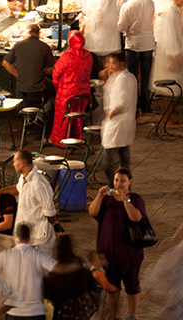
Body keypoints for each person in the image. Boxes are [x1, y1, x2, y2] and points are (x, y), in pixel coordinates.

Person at [88, 168, 146, 320]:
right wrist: (99, 195)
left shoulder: (135, 199)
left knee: (131, 285)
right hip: (109, 255)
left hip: (129, 254)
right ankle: (115, 317)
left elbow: (136, 218)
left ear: (130, 182)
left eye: (122, 180)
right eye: (116, 180)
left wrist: (125, 200)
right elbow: (93, 212)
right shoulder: (107, 199)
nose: (118, 184)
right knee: (112, 287)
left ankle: (133, 317)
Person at [0, 150, 58, 255]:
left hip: (38, 239)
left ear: (22, 163)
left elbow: (49, 212)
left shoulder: (38, 184)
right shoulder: (23, 177)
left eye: (14, 162)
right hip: (25, 237)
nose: (13, 165)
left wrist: (53, 223)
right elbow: (17, 189)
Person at [100, 52, 137, 185]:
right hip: (124, 124)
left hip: (118, 124)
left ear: (122, 64)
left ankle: (114, 186)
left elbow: (122, 102)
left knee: (109, 161)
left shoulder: (122, 78)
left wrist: (110, 114)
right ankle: (126, 186)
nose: (110, 66)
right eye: (108, 63)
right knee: (124, 159)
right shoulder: (126, 77)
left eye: (113, 63)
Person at [50, 31, 92, 147]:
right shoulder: (88, 55)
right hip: (84, 94)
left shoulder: (66, 57)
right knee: (78, 118)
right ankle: (76, 138)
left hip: (68, 94)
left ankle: (60, 140)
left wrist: (58, 87)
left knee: (63, 117)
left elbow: (56, 74)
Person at [151, 0, 183, 126]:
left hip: (169, 52)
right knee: (168, 90)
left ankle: (168, 116)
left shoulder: (173, 10)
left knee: (170, 90)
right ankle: (168, 118)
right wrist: (174, 55)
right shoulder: (170, 12)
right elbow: (169, 36)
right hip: (169, 54)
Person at [2, 24, 54, 109]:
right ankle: (42, 114)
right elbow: (51, 70)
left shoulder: (18, 45)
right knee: (55, 88)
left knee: (21, 88)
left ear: (29, 33)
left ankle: (24, 114)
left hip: (22, 85)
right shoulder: (45, 47)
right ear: (39, 33)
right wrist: (42, 71)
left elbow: (5, 63)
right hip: (39, 86)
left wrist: (17, 75)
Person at [118, 0, 155, 114]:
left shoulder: (127, 6)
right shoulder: (150, 3)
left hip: (133, 43)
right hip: (148, 42)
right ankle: (145, 104)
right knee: (146, 75)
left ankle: (133, 104)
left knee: (132, 77)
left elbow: (121, 27)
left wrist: (119, 18)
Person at [82, 0, 121, 76]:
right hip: (100, 31)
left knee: (103, 67)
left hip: (103, 32)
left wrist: (95, 15)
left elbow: (100, 10)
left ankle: (102, 85)